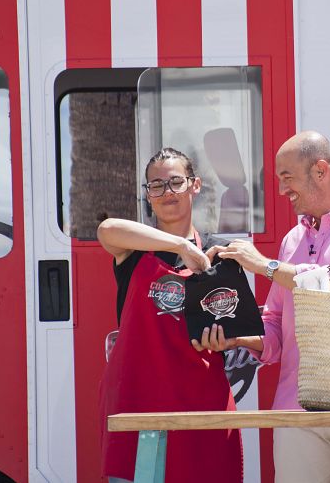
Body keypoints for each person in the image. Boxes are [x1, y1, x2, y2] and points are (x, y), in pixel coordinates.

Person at [194, 131, 330, 483]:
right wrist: (238, 338)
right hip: (296, 403)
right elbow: (276, 323)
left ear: (320, 170)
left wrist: (263, 265)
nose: (281, 190)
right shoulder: (293, 239)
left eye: (286, 177)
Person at [96, 147, 242, 483]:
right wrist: (181, 247)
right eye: (156, 186)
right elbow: (106, 229)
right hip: (138, 403)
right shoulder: (132, 248)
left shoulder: (219, 252)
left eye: (176, 182)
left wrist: (225, 339)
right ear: (148, 196)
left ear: (195, 185)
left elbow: (237, 327)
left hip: (201, 402)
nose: (167, 192)